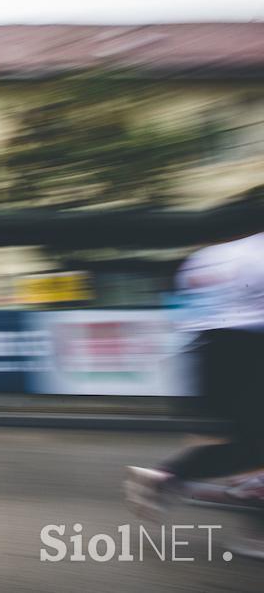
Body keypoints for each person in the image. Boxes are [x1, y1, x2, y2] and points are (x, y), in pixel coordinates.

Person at [125, 229, 264, 550]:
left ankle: (167, 475)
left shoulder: (204, 258)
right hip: (249, 352)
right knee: (254, 445)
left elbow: (187, 314)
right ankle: (254, 529)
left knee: (252, 445)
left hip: (207, 356)